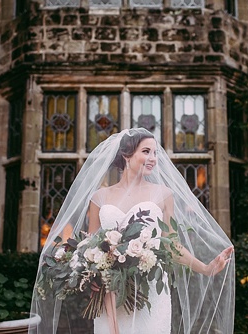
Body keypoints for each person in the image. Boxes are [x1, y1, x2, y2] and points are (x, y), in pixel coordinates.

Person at [30, 128, 235, 334]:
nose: (153, 158)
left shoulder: (163, 194)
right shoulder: (99, 197)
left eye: (155, 153)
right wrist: (91, 275)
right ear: (126, 155)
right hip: (110, 295)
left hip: (151, 294)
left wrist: (206, 268)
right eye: (146, 151)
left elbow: (172, 246)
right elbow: (89, 247)